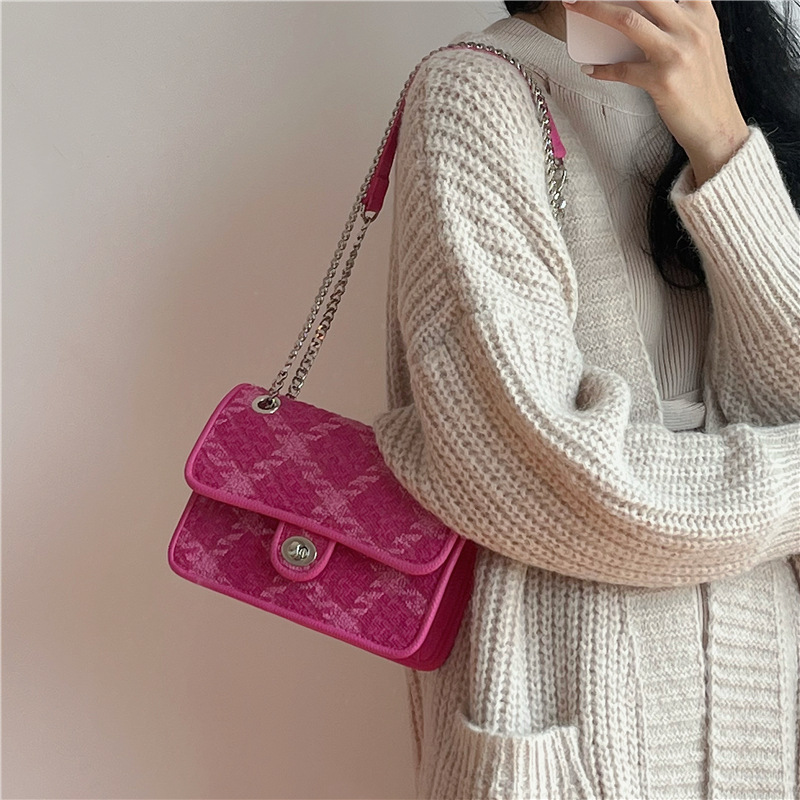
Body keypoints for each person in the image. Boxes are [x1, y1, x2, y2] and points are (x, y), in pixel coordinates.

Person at [371, 0, 800, 797]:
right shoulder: (474, 93)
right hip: (569, 722)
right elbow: (538, 472)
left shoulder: (748, 96)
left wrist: (723, 144)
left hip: (764, 716)